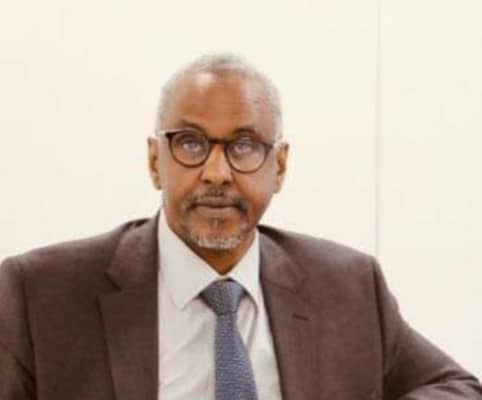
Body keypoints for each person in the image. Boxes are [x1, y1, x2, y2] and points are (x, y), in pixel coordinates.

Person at [0, 53, 480, 400]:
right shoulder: (40, 292)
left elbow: (457, 388)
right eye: (190, 143)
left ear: (280, 166)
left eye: (244, 146)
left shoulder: (347, 286)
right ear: (154, 160)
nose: (216, 173)